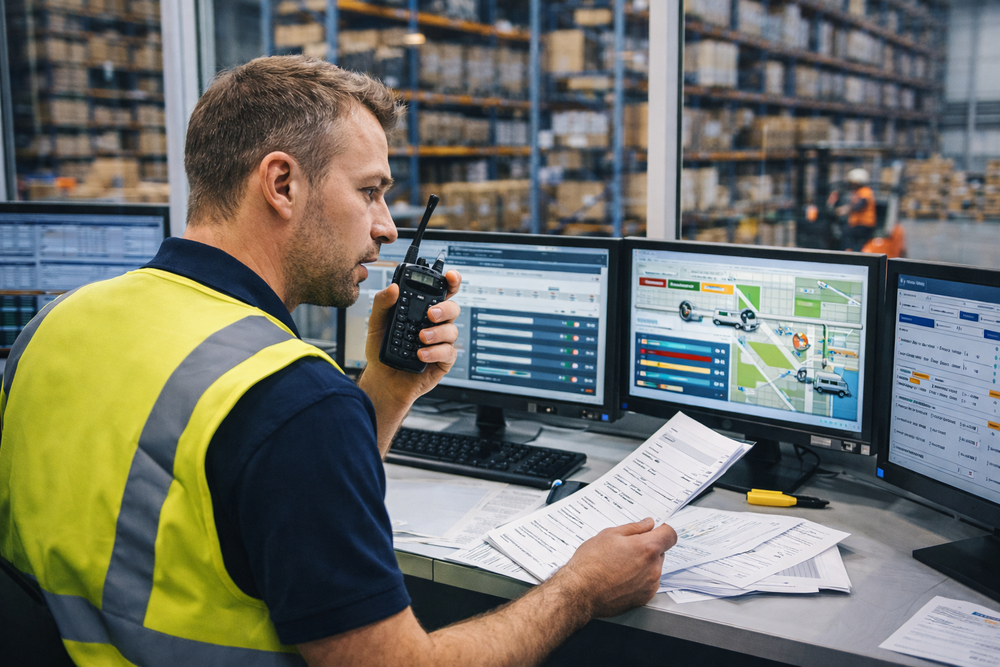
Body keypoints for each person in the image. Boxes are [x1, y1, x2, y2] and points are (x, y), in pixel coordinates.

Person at [0, 55, 677, 666]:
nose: (385, 225)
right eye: (370, 190)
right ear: (283, 184)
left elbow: (243, 510)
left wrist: (381, 390)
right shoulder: (290, 397)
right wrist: (580, 589)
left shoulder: (54, 325)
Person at [829, 168, 877, 251]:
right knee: (845, 230)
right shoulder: (857, 192)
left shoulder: (865, 191)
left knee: (846, 232)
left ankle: (850, 252)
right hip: (857, 223)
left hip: (864, 224)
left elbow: (860, 205)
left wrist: (844, 210)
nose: (851, 184)